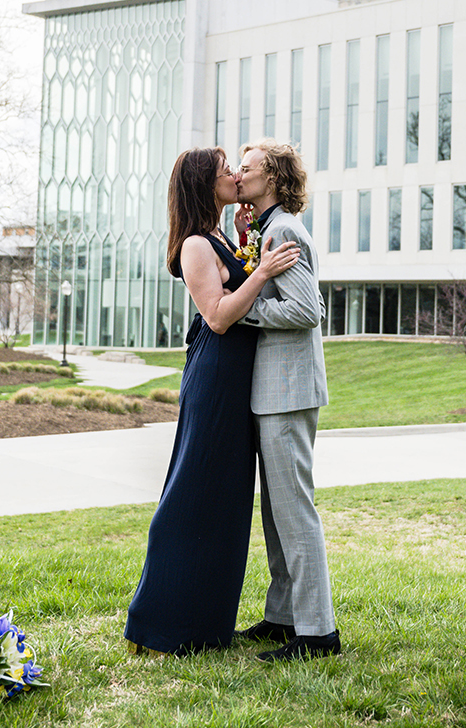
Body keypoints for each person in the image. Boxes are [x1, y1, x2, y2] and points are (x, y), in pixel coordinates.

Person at [123, 147, 299, 656]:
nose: (233, 174)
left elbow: (235, 284)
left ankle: (203, 626)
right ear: (203, 183)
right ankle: (159, 624)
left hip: (238, 382)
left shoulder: (223, 237)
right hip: (216, 382)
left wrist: (248, 244)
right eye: (224, 169)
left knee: (224, 506)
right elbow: (220, 316)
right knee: (193, 497)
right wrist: (262, 271)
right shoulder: (195, 245)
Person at [232, 139, 341, 661]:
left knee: (294, 511)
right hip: (272, 392)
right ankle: (282, 617)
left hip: (288, 392)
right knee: (276, 513)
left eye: (247, 167)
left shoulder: (285, 230)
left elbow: (306, 310)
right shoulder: (264, 228)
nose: (237, 172)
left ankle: (318, 634)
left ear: (271, 177)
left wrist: (244, 314)